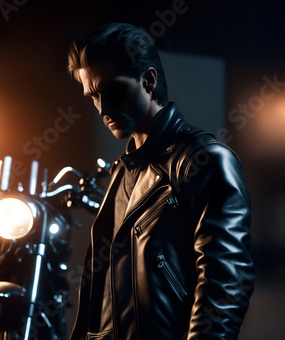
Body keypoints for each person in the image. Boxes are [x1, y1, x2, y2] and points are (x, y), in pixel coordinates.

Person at [67, 23, 255, 340]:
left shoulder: (204, 160)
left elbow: (226, 280)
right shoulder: (122, 171)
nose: (102, 108)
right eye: (93, 96)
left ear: (149, 80)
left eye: (111, 90)